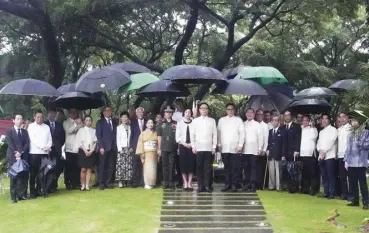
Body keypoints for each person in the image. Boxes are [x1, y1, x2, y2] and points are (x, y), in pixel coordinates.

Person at [217, 103, 244, 192]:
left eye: (232, 109)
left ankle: (234, 184)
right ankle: (227, 184)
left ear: (234, 110)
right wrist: (219, 144)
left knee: (235, 168)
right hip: (224, 147)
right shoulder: (221, 120)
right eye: (228, 109)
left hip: (235, 148)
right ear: (226, 110)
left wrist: (240, 145)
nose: (230, 111)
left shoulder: (238, 120)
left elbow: (242, 133)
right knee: (226, 167)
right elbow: (218, 133)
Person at [190, 102, 217, 193]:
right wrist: (193, 146)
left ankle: (207, 186)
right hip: (198, 147)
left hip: (209, 148)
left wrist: (214, 146)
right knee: (199, 168)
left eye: (206, 108)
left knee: (208, 168)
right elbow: (192, 135)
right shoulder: (195, 121)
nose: (204, 110)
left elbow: (215, 135)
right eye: (202, 108)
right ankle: (200, 186)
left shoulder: (212, 120)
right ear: (199, 110)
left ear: (208, 110)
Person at [345, 111, 369, 209]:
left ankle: (366, 202)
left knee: (362, 183)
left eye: (356, 121)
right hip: (351, 162)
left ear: (360, 122)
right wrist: (346, 160)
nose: (354, 123)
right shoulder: (350, 134)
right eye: (352, 121)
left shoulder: (366, 132)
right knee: (352, 182)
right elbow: (348, 148)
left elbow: (366, 145)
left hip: (360, 162)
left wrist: (358, 140)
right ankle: (355, 200)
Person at [28, 110, 52, 198]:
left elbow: (50, 139)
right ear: (34, 117)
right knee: (33, 174)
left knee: (42, 173)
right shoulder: (31, 126)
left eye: (41, 117)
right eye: (38, 117)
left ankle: (39, 190)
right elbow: (33, 140)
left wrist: (48, 146)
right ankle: (32, 192)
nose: (40, 118)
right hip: (34, 153)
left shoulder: (46, 127)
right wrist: (43, 147)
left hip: (44, 153)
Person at [6, 113, 30, 203]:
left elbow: (27, 143)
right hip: (13, 156)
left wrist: (21, 152)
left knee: (24, 175)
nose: (20, 120)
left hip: (23, 156)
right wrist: (16, 153)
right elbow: (10, 143)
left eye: (21, 119)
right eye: (18, 119)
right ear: (14, 120)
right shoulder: (10, 131)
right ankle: (13, 197)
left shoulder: (25, 132)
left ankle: (22, 194)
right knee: (14, 176)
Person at [96, 106, 117, 190]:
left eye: (109, 110)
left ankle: (108, 182)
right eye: (106, 111)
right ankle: (101, 183)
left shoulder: (115, 122)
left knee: (111, 165)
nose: (108, 112)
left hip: (113, 147)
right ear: (103, 112)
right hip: (104, 147)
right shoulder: (100, 122)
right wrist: (101, 147)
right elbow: (99, 136)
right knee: (102, 165)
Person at [317, 113, 338, 199]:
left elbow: (332, 141)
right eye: (323, 119)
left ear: (329, 120)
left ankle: (331, 193)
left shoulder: (333, 130)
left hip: (330, 156)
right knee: (324, 175)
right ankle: (326, 192)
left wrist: (325, 151)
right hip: (321, 156)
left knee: (331, 175)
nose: (324, 120)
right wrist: (320, 150)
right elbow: (318, 143)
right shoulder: (321, 131)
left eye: (326, 118)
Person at [44, 109, 65, 193]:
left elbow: (63, 137)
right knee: (48, 168)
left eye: (54, 114)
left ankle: (53, 185)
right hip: (47, 150)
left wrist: (58, 145)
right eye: (51, 114)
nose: (52, 116)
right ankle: (46, 186)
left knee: (56, 168)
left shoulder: (59, 125)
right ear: (48, 115)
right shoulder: (45, 124)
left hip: (56, 150)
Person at [242, 108, 263, 192]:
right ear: (246, 114)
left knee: (253, 168)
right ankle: (247, 184)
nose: (249, 114)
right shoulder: (243, 124)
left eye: (251, 112)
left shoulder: (257, 125)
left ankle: (253, 185)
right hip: (245, 150)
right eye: (248, 112)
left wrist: (260, 148)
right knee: (246, 168)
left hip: (254, 150)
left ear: (254, 115)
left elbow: (260, 138)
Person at [157, 105, 177, 189]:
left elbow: (178, 136)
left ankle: (171, 181)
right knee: (164, 165)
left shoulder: (175, 123)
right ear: (164, 113)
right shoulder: (160, 125)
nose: (168, 114)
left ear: (172, 113)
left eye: (170, 112)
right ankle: (165, 182)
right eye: (166, 112)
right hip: (164, 147)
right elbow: (159, 137)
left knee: (172, 165)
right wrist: (159, 148)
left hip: (173, 147)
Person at [176, 109, 196, 191]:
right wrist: (184, 144)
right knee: (183, 165)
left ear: (191, 114)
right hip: (183, 146)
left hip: (193, 145)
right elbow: (177, 136)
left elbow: (197, 134)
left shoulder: (195, 122)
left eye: (189, 112)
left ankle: (190, 182)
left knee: (191, 164)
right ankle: (185, 182)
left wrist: (191, 144)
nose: (188, 114)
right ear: (184, 114)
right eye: (186, 112)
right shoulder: (180, 122)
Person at [63, 108, 83, 190]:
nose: (74, 113)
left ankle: (77, 183)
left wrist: (78, 124)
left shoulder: (80, 121)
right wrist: (75, 124)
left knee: (77, 166)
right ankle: (68, 183)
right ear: (69, 113)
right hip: (69, 148)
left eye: (75, 112)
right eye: (72, 112)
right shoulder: (66, 122)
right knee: (69, 167)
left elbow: (82, 128)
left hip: (78, 147)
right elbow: (69, 131)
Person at [136, 119, 159, 189]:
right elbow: (140, 143)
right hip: (146, 153)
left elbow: (158, 143)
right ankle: (147, 183)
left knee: (153, 169)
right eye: (149, 123)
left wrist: (158, 151)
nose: (150, 124)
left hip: (154, 152)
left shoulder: (156, 133)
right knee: (147, 169)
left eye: (151, 123)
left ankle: (153, 183)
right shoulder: (142, 133)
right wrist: (142, 153)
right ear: (146, 125)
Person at [75, 116, 97, 191]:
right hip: (82, 151)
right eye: (87, 120)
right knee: (83, 169)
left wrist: (91, 150)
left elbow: (95, 142)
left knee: (89, 169)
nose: (88, 122)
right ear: (84, 121)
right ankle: (83, 184)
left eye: (89, 120)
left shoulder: (94, 131)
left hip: (91, 151)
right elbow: (79, 142)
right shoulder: (81, 130)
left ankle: (87, 185)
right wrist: (85, 151)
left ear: (91, 121)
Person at [300, 115, 318, 195]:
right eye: (303, 120)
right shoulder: (300, 129)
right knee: (304, 173)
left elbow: (314, 137)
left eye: (306, 120)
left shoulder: (313, 129)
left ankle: (313, 189)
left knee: (312, 173)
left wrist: (313, 125)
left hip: (310, 154)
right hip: (302, 154)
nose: (305, 122)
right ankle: (305, 189)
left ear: (309, 121)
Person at [267, 114, 285, 191]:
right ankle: (271, 186)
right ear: (271, 122)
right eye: (273, 120)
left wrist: (283, 154)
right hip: (271, 154)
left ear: (279, 122)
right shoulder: (270, 132)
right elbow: (268, 142)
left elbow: (284, 144)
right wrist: (267, 150)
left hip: (279, 154)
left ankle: (278, 186)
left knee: (278, 171)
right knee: (271, 171)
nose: (275, 122)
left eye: (276, 120)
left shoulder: (282, 131)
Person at [116, 111, 133, 188]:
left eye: (126, 117)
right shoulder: (118, 128)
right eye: (123, 117)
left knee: (127, 165)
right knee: (120, 166)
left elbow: (130, 138)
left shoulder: (129, 127)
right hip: (121, 148)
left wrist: (130, 147)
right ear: (120, 118)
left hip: (128, 148)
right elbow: (118, 139)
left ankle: (126, 181)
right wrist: (120, 149)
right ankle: (120, 181)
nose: (124, 119)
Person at [130, 107, 147, 187]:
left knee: (143, 164)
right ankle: (134, 182)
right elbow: (131, 135)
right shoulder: (132, 123)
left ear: (143, 113)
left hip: (145, 147)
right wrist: (131, 146)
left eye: (141, 112)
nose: (140, 113)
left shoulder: (147, 122)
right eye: (138, 112)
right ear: (136, 114)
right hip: (135, 146)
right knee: (135, 165)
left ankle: (142, 181)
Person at [337, 112, 351, 200]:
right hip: (340, 155)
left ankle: (351, 194)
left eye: (344, 117)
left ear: (347, 118)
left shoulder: (350, 128)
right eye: (340, 117)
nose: (342, 119)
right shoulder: (339, 129)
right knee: (342, 176)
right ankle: (344, 193)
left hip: (348, 155)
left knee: (350, 177)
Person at [255, 109, 269, 189]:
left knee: (261, 168)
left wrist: (264, 149)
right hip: (253, 150)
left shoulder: (265, 125)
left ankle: (261, 184)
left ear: (263, 116)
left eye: (261, 114)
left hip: (262, 150)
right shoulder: (254, 124)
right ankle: (255, 183)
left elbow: (266, 139)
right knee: (254, 168)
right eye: (258, 114)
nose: (259, 116)